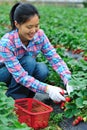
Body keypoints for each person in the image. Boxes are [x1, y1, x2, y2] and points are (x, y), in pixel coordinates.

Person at [0, 2, 73, 101]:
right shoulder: (7, 42)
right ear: (17, 24)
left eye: (36, 26)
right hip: (4, 73)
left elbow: (54, 58)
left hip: (24, 70)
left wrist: (68, 80)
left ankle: (28, 97)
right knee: (29, 61)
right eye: (29, 27)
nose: (34, 31)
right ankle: (14, 99)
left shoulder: (39, 35)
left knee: (42, 69)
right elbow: (21, 76)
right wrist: (48, 89)